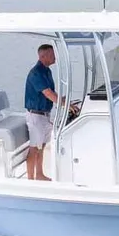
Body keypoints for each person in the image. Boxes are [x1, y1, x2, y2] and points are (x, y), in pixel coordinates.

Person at [24, 44, 77, 180]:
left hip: (44, 114)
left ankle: (39, 174)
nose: (55, 57)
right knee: (34, 148)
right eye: (52, 54)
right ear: (43, 56)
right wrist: (65, 105)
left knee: (41, 146)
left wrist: (63, 100)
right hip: (35, 115)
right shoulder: (36, 73)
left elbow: (52, 93)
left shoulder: (47, 71)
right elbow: (48, 93)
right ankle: (30, 179)